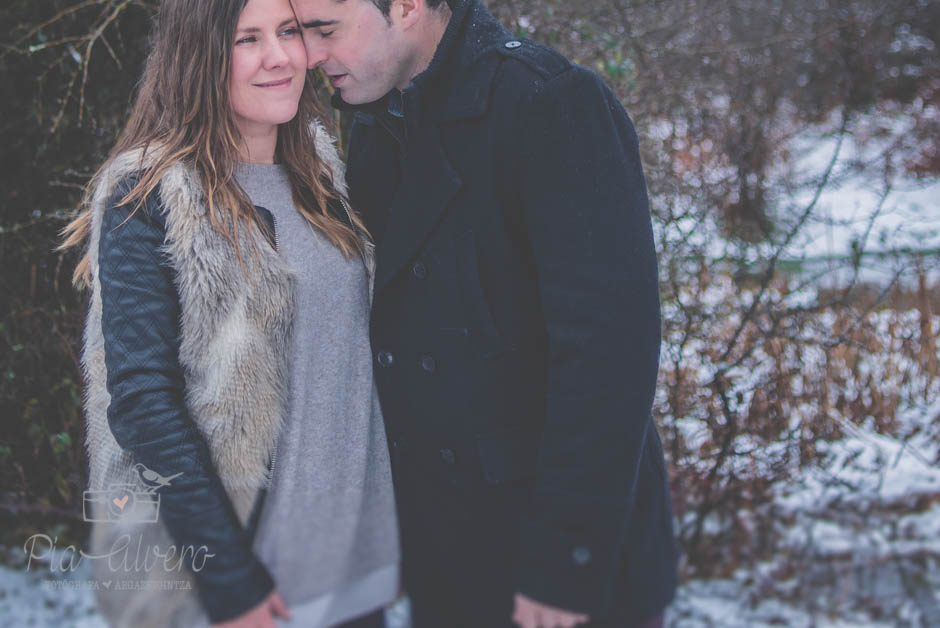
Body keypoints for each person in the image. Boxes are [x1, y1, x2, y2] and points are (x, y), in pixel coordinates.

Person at [289, 0, 681, 626]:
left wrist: (563, 566)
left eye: (325, 29)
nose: (309, 55)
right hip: (451, 559)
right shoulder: (376, 121)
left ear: (409, 7)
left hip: (559, 567)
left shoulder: (550, 104)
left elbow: (608, 360)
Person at [59, 0, 399, 626]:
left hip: (354, 570)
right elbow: (141, 401)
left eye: (289, 32)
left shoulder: (321, 173)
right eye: (248, 39)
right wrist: (228, 582)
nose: (278, 57)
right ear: (201, 56)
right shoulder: (152, 195)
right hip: (247, 582)